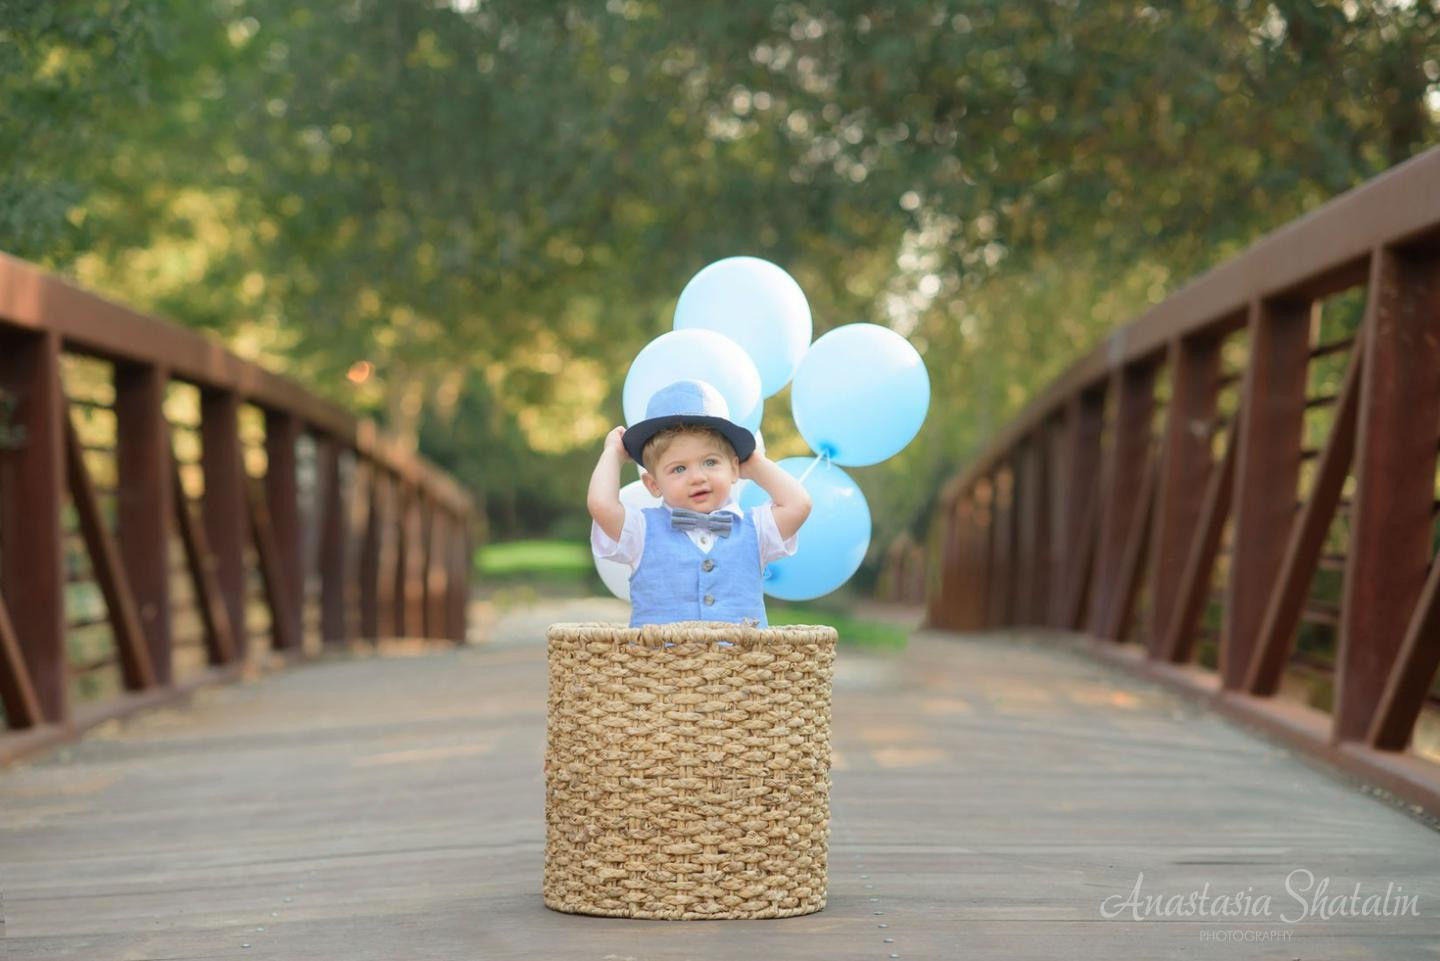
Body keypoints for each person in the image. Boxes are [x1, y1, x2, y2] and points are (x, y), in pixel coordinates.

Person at [588, 379, 812, 628]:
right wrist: (612, 454)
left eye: (710, 462)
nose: (697, 477)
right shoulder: (641, 530)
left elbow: (798, 504)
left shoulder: (756, 529)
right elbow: (601, 505)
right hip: (660, 666)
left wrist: (756, 464)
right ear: (653, 484)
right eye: (679, 469)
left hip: (742, 666)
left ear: (734, 467)